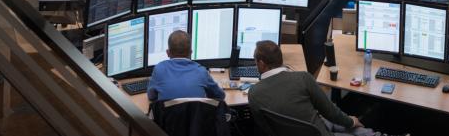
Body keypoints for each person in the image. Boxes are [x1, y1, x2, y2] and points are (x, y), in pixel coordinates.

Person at [248, 40, 398, 136]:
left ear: (261, 64)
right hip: (319, 131)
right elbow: (330, 111)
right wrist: (351, 121)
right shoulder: (302, 78)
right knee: (348, 125)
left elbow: (266, 129)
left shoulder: (253, 94)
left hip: (309, 128)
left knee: (342, 123)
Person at [147, 30, 225, 102]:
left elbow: (151, 96)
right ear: (191, 52)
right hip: (196, 117)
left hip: (167, 117)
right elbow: (220, 96)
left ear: (168, 52)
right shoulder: (201, 72)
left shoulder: (159, 69)